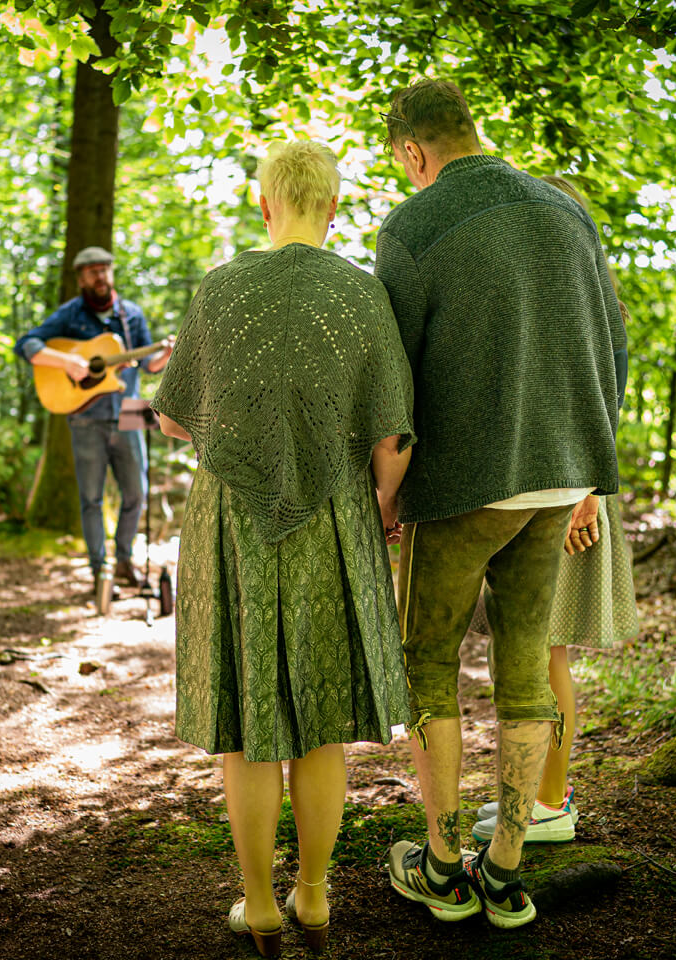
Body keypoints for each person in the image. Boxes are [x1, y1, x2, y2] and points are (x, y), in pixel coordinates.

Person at [152, 140, 415, 957]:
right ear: (332, 206)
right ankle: (314, 895)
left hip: (233, 523)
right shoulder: (360, 294)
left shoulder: (222, 288)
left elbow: (173, 416)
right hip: (336, 519)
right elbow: (392, 432)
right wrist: (382, 503)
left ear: (264, 204)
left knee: (249, 724)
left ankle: (259, 905)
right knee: (320, 723)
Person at [374, 82, 627, 930]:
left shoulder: (413, 227)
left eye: (402, 162)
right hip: (560, 476)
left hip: (461, 488)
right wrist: (590, 468)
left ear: (414, 152)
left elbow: (391, 382)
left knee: (428, 662)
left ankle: (444, 865)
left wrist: (387, 488)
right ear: (474, 130)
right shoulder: (564, 212)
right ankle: (508, 870)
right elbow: (611, 345)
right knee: (524, 666)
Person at [471, 175, 640, 847]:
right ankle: (539, 796)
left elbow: (605, 409)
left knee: (547, 659)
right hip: (551, 496)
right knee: (532, 656)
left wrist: (587, 494)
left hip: (575, 503)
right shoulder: (553, 302)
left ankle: (549, 804)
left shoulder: (593, 307)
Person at [15, 247, 172, 596]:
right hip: (86, 418)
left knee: (137, 493)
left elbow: (149, 365)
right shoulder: (71, 315)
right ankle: (100, 572)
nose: (100, 277)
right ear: (81, 278)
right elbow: (27, 344)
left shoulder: (130, 314)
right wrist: (67, 363)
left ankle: (123, 562)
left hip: (131, 412)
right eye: (92, 272)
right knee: (91, 498)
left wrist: (165, 354)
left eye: (105, 270)